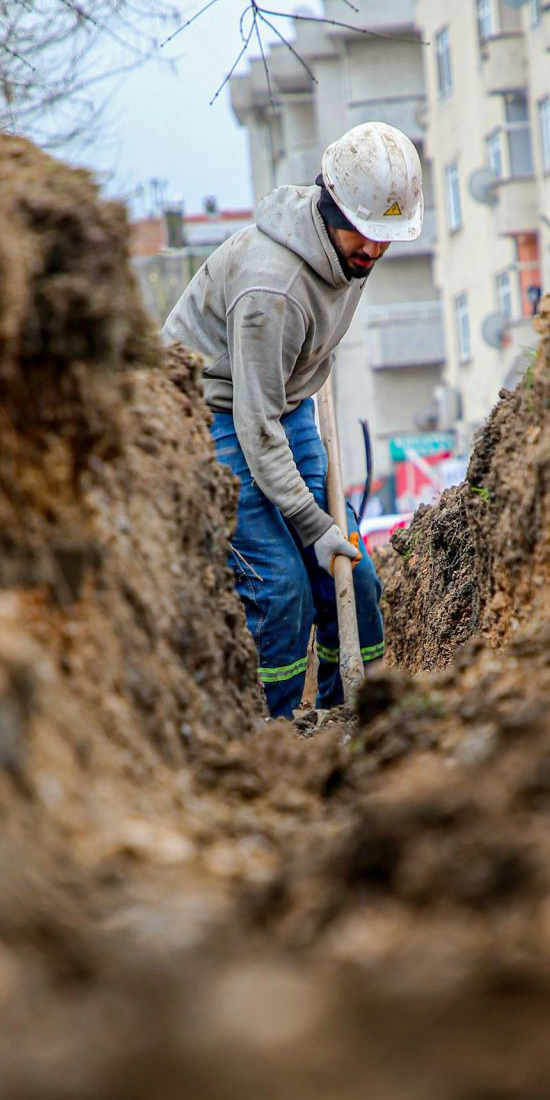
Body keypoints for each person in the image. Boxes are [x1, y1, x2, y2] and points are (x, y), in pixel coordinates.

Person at [163, 120, 424, 718]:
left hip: (282, 402)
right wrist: (310, 521)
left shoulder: (351, 252)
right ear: (332, 208)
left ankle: (352, 718)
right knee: (281, 587)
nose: (376, 251)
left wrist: (326, 533)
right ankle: (274, 733)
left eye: (387, 237)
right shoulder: (270, 290)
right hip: (212, 412)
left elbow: (296, 374)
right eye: (365, 235)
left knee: (350, 574)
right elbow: (255, 427)